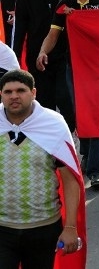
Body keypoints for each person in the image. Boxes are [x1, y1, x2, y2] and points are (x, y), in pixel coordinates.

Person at [37, 0, 99, 190]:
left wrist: (79, 19)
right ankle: (86, 155)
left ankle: (96, 171)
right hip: (74, 66)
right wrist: (42, 51)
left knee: (96, 115)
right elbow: (53, 35)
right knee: (79, 113)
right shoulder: (65, 3)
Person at [0, 69, 84, 268]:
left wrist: (71, 227)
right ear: (1, 95)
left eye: (21, 90)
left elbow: (70, 178)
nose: (14, 96)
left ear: (34, 93)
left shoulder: (53, 124)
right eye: (8, 92)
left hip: (44, 228)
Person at [13, 0, 75, 131]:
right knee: (43, 98)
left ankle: (69, 135)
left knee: (66, 98)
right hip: (37, 49)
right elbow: (20, 21)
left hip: (66, 50)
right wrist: (15, 53)